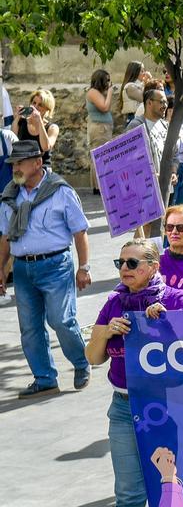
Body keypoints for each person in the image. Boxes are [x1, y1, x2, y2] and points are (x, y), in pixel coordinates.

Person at [85, 238, 183, 507]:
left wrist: (165, 323)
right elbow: (93, 358)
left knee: (174, 480)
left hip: (168, 405)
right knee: (128, 493)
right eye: (120, 263)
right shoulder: (113, 302)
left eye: (132, 263)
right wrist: (106, 333)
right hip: (124, 407)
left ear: (154, 267)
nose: (124, 269)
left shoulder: (175, 299)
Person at [0, 140, 92, 398]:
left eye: (20, 163)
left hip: (56, 266)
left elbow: (80, 232)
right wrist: (1, 269)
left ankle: (81, 362)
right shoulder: (9, 195)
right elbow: (6, 236)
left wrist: (84, 267)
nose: (15, 168)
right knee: (29, 328)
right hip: (22, 269)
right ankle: (44, 377)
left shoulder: (60, 192)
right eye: (13, 163)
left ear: (37, 163)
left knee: (61, 320)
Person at [85, 69, 117, 192]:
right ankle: (99, 187)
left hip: (103, 128)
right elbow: (104, 107)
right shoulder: (93, 92)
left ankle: (100, 185)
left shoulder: (97, 93)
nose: (109, 83)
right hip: (99, 128)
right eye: (107, 80)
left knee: (103, 156)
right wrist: (109, 93)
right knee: (100, 156)